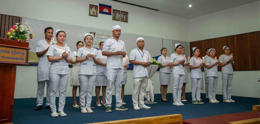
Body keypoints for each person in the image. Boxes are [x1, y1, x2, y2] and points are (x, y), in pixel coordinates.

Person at [47, 29, 73, 117]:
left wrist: (65, 57)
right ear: (57, 37)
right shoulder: (52, 46)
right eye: (60, 36)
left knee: (63, 91)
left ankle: (61, 110)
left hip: (65, 70)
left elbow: (70, 60)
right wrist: (61, 56)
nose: (62, 37)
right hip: (54, 70)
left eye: (64, 36)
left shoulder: (67, 48)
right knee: (53, 90)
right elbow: (50, 58)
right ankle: (53, 110)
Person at [102, 25, 128, 112]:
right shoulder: (108, 41)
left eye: (119, 31)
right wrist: (115, 53)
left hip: (120, 66)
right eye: (116, 31)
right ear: (112, 31)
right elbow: (104, 52)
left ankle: (119, 105)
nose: (118, 32)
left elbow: (125, 54)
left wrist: (123, 54)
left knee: (119, 86)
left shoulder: (122, 42)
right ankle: (108, 105)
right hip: (111, 67)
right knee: (109, 86)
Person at [76, 33, 104, 113]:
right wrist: (86, 57)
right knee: (83, 90)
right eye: (87, 39)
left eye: (90, 39)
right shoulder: (81, 49)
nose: (89, 40)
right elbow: (77, 59)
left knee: (90, 90)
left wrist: (94, 57)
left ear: (92, 41)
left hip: (93, 71)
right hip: (83, 72)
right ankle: (83, 107)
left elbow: (97, 61)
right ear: (84, 40)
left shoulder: (95, 50)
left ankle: (88, 106)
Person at [129, 37, 151, 110]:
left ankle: (141, 104)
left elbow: (149, 61)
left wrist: (148, 63)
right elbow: (131, 60)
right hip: (137, 74)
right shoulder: (133, 51)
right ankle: (135, 104)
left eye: (142, 41)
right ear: (137, 43)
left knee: (143, 90)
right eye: (139, 41)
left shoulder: (147, 52)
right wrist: (142, 63)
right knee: (136, 90)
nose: (141, 43)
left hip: (145, 73)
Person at [35, 27, 53, 110]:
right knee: (41, 86)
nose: (50, 34)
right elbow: (38, 54)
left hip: (52, 67)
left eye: (51, 32)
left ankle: (48, 103)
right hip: (43, 66)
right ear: (45, 33)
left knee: (50, 87)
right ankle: (39, 103)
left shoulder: (55, 43)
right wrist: (48, 48)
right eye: (48, 32)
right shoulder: (40, 42)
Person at [71, 41, 84, 108]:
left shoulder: (83, 54)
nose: (80, 46)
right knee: (75, 86)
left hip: (82, 70)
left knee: (81, 87)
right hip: (75, 69)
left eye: (82, 45)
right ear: (77, 46)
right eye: (79, 45)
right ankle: (74, 102)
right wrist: (78, 60)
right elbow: (71, 62)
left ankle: (80, 101)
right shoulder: (74, 53)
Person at [95, 41, 107, 107]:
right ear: (99, 46)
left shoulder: (107, 53)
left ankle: (103, 100)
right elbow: (96, 61)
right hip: (99, 71)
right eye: (102, 45)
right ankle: (98, 100)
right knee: (98, 86)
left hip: (106, 71)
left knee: (105, 86)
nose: (103, 46)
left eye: (104, 45)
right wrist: (104, 64)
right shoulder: (97, 52)